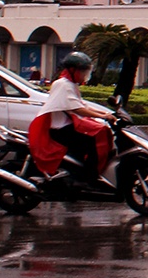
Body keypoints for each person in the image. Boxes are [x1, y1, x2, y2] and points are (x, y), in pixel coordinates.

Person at [40, 51, 114, 186]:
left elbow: (82, 105)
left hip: (65, 127)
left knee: (94, 137)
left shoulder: (70, 84)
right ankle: (87, 179)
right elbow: (77, 109)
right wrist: (103, 116)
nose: (84, 76)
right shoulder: (64, 85)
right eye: (82, 72)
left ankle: (78, 174)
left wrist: (106, 113)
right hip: (60, 130)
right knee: (93, 143)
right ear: (73, 70)